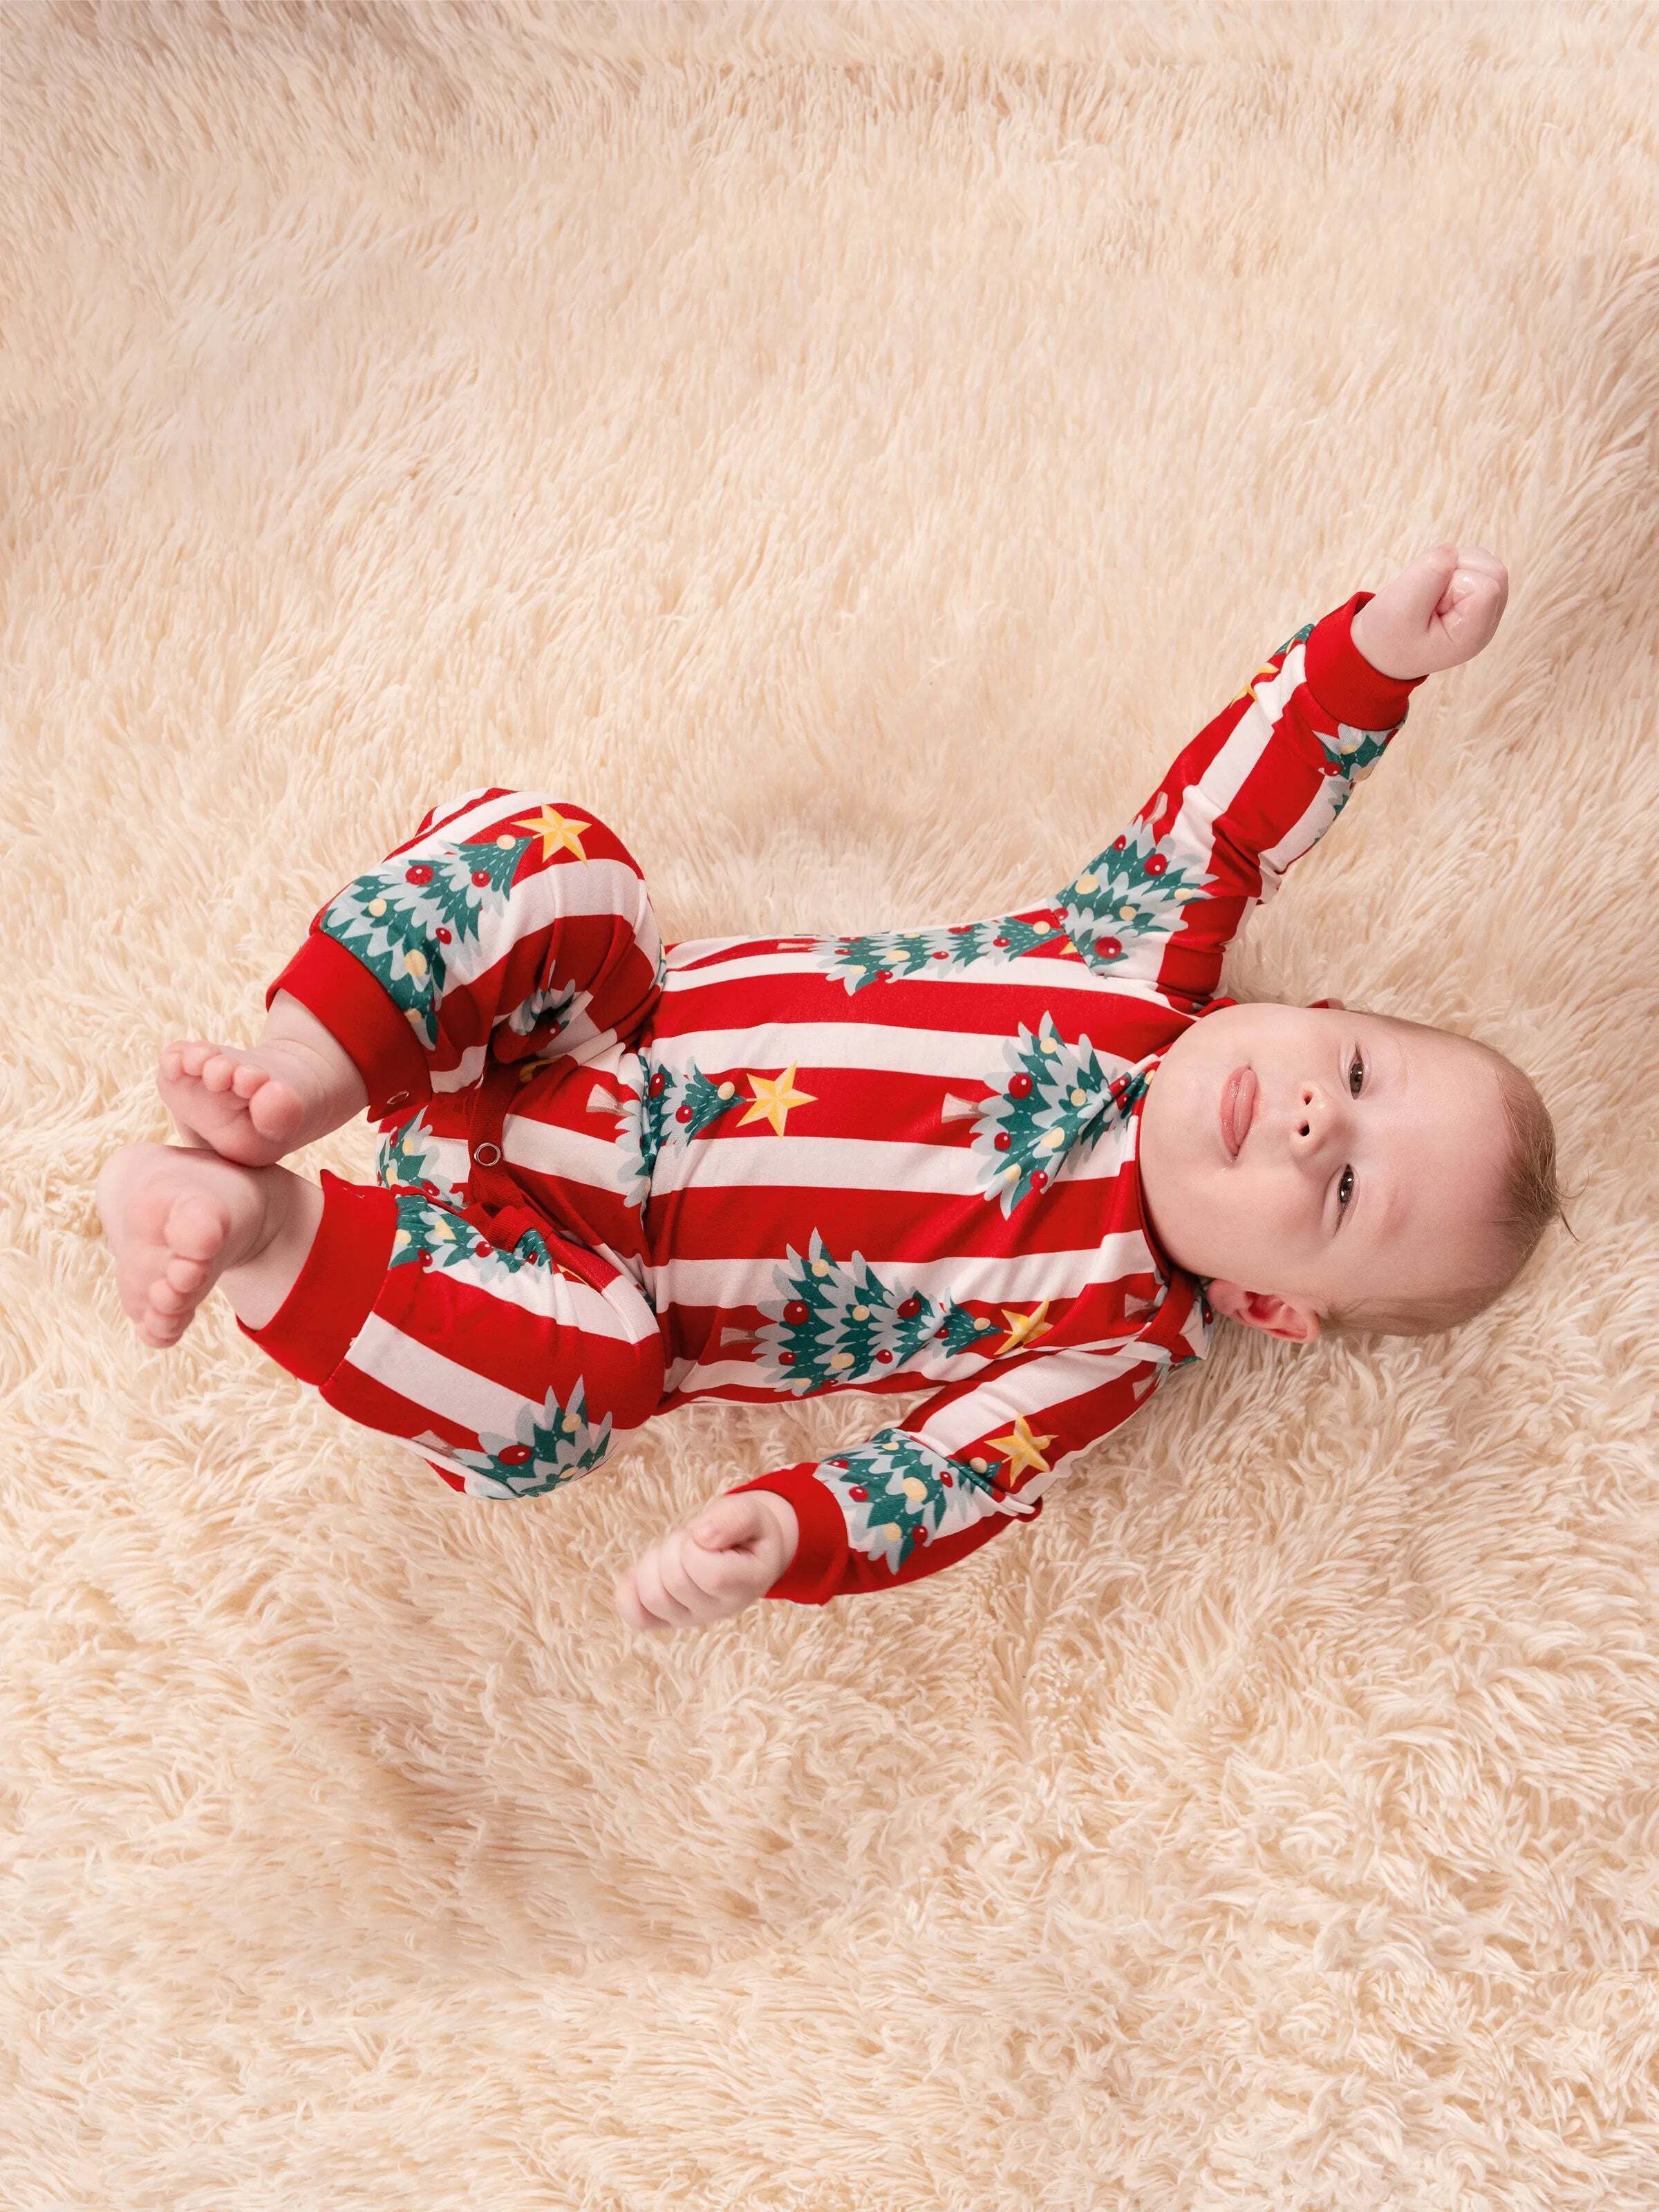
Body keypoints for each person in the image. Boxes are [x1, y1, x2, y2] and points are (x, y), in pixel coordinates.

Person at [96, 542, 1568, 1632]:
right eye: (1355, 1074)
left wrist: (789, 1532)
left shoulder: (1112, 1338)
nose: (1316, 1120)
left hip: (564, 1277)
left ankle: (272, 1234)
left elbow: (946, 1481)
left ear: (1267, 1305)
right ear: (1314, 1015)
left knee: (572, 1407)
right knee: (567, 861)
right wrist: (1373, 661)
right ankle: (303, 1070)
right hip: (576, 1027)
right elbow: (1226, 812)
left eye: (1348, 1189)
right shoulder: (1140, 954)